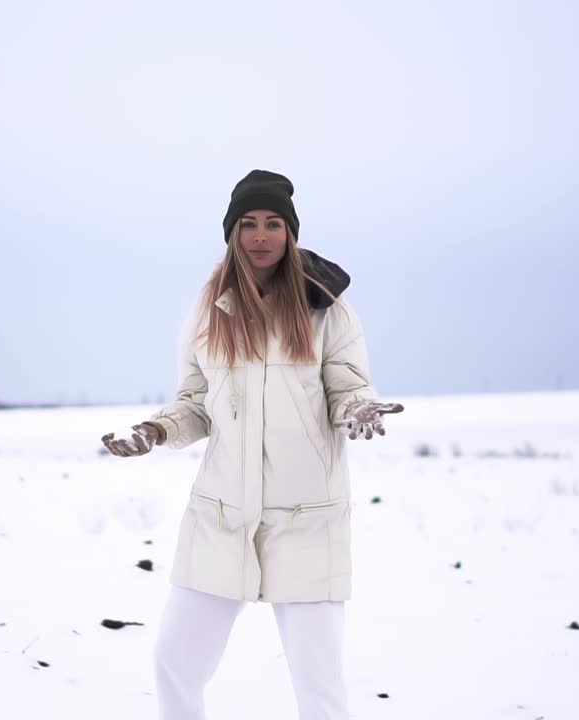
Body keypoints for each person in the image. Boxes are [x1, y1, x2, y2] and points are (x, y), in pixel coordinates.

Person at [101, 169, 404, 720]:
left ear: (290, 233)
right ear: (231, 233)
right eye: (248, 223)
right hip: (222, 518)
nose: (260, 235)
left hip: (306, 519)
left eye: (272, 224)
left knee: (320, 689)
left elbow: (346, 387)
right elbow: (196, 402)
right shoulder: (208, 310)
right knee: (175, 664)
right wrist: (156, 430)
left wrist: (359, 407)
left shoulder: (326, 310)